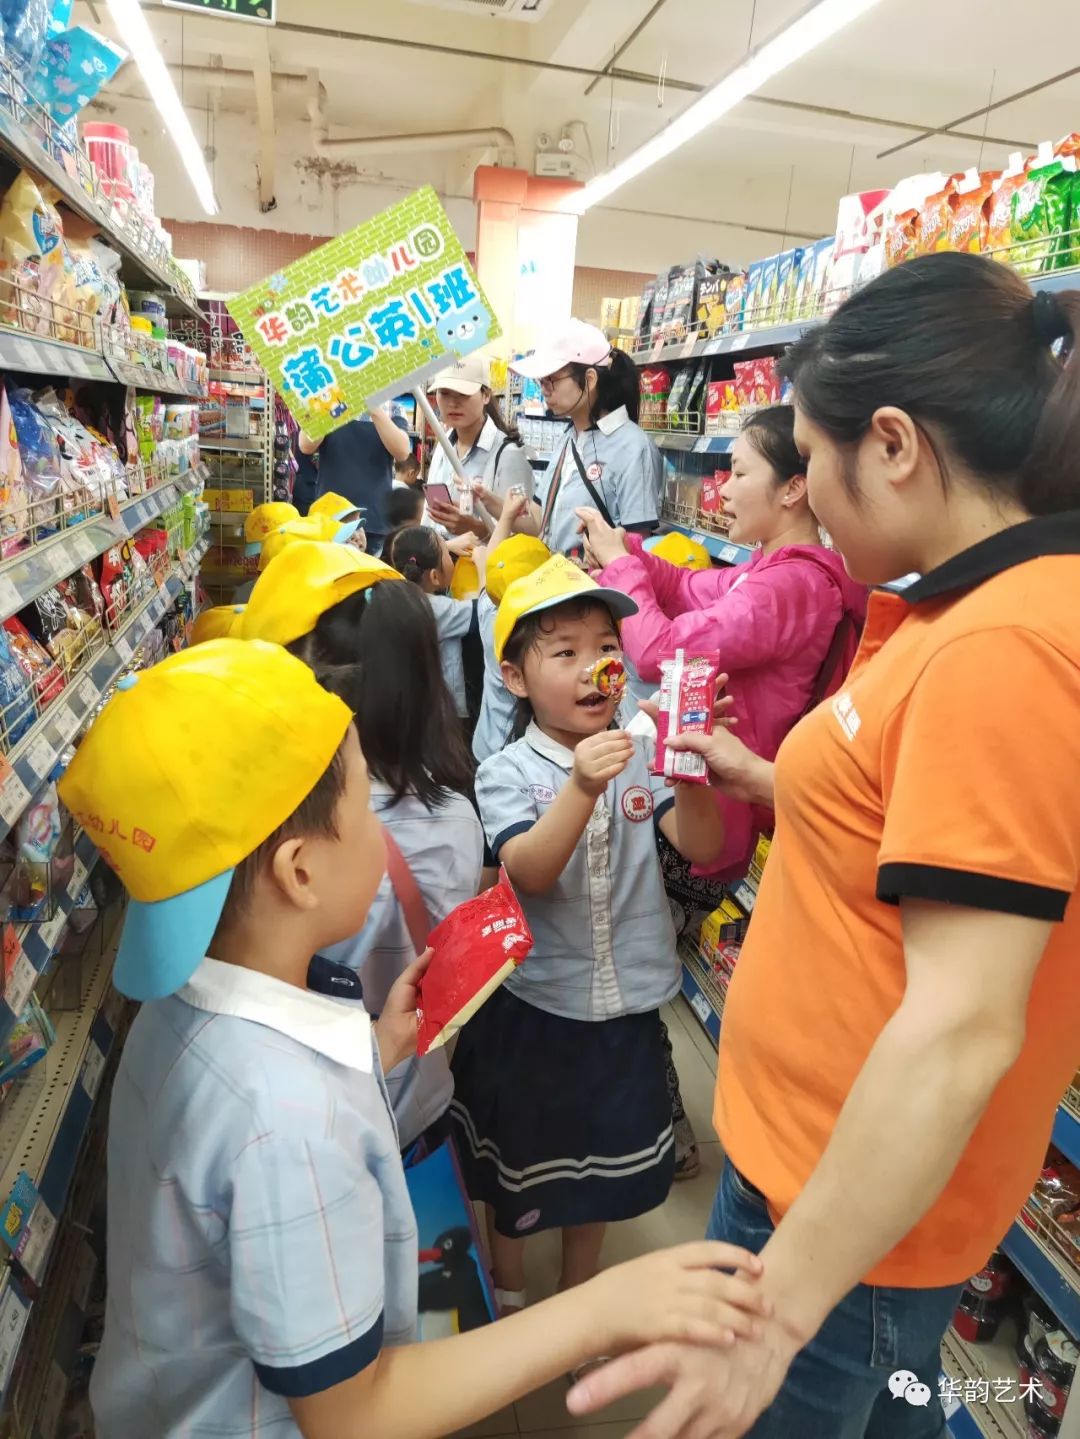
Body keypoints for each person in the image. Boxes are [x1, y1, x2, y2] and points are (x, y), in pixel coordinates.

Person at [566, 252, 1080, 1438]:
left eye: (810, 453)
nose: (802, 492)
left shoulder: (1002, 652)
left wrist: (780, 1306)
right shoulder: (954, 608)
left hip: (837, 1222)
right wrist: (765, 775)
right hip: (813, 1175)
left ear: (892, 442)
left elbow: (961, 1026)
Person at [61, 641, 768, 1438]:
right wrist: (600, 1310)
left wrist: (377, 1051)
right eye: (367, 808)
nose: (381, 826)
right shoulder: (292, 1124)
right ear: (299, 873)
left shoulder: (180, 1007)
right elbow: (357, 1412)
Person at [451, 555, 734, 1318]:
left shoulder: (644, 752)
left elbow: (702, 847)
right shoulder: (506, 770)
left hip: (627, 1007)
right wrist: (579, 785)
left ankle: (578, 1299)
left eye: (605, 646)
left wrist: (697, 767)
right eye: (565, 651)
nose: (594, 667)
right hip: (536, 1005)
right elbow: (530, 872)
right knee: (519, 1165)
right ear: (514, 677)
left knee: (602, 1170)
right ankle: (509, 1290)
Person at [240, 540, 478, 1153]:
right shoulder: (454, 820)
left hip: (290, 1108)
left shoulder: (273, 822)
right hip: (406, 1101)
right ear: (426, 683)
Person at [579, 403, 867, 881]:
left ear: (793, 488)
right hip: (710, 789)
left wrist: (620, 567)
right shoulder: (768, 569)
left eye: (738, 473)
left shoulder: (792, 586)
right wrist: (624, 550)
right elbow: (686, 586)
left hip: (724, 806)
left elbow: (656, 653)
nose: (723, 490)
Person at [511, 318, 663, 558]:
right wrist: (489, 502)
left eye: (551, 380)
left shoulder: (634, 447)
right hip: (560, 581)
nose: (544, 390)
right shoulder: (569, 437)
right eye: (541, 381)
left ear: (590, 380)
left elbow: (637, 544)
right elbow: (540, 521)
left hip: (596, 589)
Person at [470, 491, 550, 764]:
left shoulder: (491, 614)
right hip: (528, 759)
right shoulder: (549, 633)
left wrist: (505, 517)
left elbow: (490, 569)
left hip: (487, 746)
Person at [423, 355, 536, 541]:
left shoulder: (510, 456)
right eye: (444, 393)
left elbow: (525, 532)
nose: (453, 403)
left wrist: (476, 529)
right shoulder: (443, 447)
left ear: (485, 395)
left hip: (483, 567)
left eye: (463, 394)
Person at [387, 524, 478, 726]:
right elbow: (483, 611)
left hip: (414, 702)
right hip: (446, 710)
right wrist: (483, 565)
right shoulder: (437, 609)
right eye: (446, 554)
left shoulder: (399, 596)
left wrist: (446, 547)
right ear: (434, 577)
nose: (450, 553)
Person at [299, 403, 411, 555]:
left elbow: (403, 452)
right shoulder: (323, 403)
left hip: (374, 520)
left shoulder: (393, 408)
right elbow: (305, 445)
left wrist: (373, 406)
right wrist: (330, 406)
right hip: (331, 520)